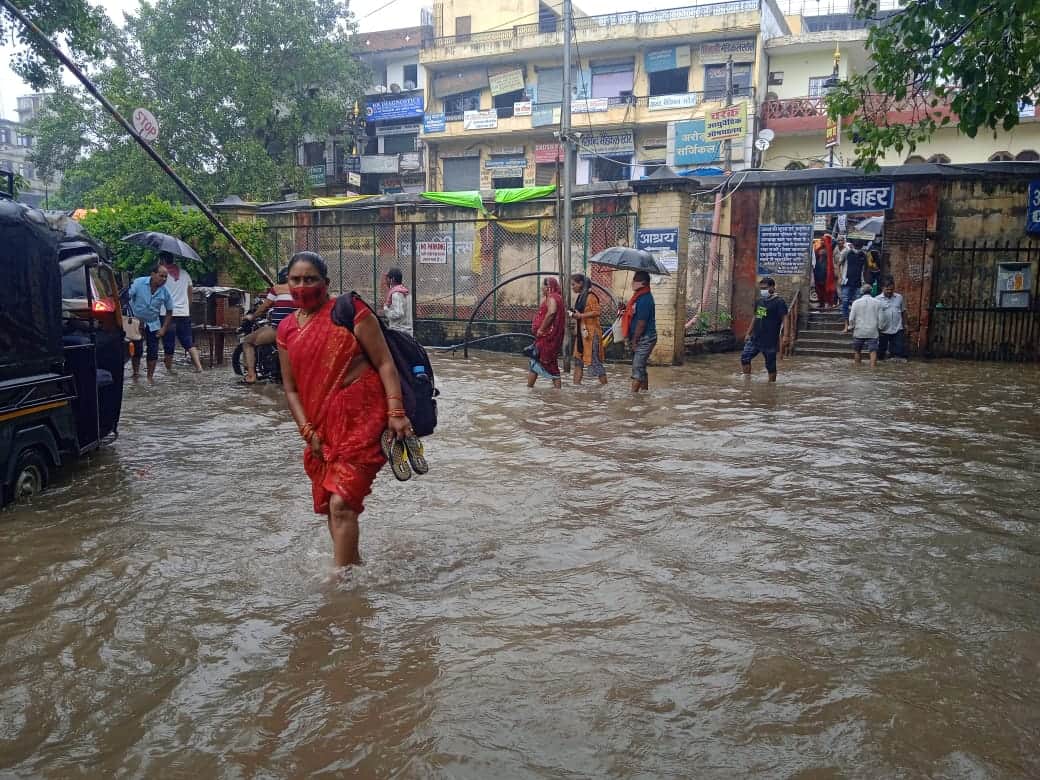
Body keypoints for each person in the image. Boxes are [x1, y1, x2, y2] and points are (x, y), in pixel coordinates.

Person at [277, 251, 413, 569]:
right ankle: (353, 566)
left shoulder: (349, 310)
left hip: (363, 420)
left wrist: (395, 412)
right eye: (295, 280)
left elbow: (383, 362)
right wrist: (307, 431)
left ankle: (342, 587)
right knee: (331, 502)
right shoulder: (286, 330)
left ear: (325, 282)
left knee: (341, 502)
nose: (302, 286)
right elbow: (291, 388)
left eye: (309, 279)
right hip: (320, 428)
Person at [241, 266, 296, 384]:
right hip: (299, 331)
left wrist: (252, 316)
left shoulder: (277, 289)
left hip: (279, 330)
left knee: (247, 341)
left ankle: (251, 376)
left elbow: (264, 307)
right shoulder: (301, 289)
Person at [128, 264, 174, 384]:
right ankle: (136, 373)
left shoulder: (165, 292)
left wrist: (164, 328)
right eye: (161, 276)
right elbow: (127, 299)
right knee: (137, 349)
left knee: (153, 350)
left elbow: (170, 311)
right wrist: (133, 320)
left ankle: (150, 377)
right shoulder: (138, 283)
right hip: (136, 322)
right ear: (153, 274)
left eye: (166, 277)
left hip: (153, 323)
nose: (164, 279)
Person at [159, 252, 204, 373]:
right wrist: (186, 309)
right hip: (183, 313)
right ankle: (199, 367)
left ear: (162, 260)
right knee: (188, 341)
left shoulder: (161, 275)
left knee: (168, 343)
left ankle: (169, 371)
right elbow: (190, 294)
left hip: (166, 313)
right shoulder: (185, 274)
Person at [741, 276, 789, 382]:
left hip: (770, 339)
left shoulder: (779, 302)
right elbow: (756, 317)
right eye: (761, 288)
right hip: (756, 337)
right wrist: (748, 333)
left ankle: (771, 385)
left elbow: (785, 318)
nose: (763, 291)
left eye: (765, 288)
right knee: (745, 357)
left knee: (770, 365)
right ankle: (747, 380)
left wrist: (785, 335)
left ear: (772, 287)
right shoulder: (760, 301)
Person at [568, 273, 607, 385]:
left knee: (594, 362)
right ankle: (576, 389)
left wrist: (581, 316)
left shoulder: (591, 296)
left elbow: (597, 312)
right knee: (578, 361)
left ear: (581, 284)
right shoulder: (580, 297)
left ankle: (605, 388)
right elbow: (578, 314)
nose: (572, 287)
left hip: (591, 334)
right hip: (581, 334)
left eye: (573, 284)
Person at [527, 277, 565, 389]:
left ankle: (530, 389)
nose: (541, 289)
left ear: (548, 287)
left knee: (543, 363)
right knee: (540, 363)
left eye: (543, 286)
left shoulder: (552, 298)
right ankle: (531, 389)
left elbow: (552, 312)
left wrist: (541, 329)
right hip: (548, 339)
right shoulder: (557, 297)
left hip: (547, 339)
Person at [622, 270, 657, 393]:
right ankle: (644, 393)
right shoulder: (637, 297)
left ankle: (632, 398)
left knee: (637, 367)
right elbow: (633, 314)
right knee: (641, 367)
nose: (632, 282)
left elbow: (641, 324)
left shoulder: (645, 299)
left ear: (643, 283)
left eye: (635, 280)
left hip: (645, 338)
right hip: (639, 337)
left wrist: (634, 341)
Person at [846, 283, 882, 367]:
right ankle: (873, 368)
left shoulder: (856, 302)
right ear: (871, 291)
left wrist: (851, 327)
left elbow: (851, 318)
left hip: (859, 330)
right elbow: (881, 318)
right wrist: (880, 328)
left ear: (862, 292)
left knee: (857, 350)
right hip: (873, 331)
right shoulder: (878, 302)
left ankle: (857, 367)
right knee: (873, 351)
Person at [875, 274, 907, 360]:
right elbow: (875, 315)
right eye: (887, 289)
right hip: (883, 329)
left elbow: (903, 311)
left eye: (891, 289)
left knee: (898, 352)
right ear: (882, 288)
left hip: (897, 328)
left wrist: (905, 325)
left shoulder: (899, 297)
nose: (889, 291)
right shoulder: (877, 299)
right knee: (881, 353)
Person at [840, 240, 868, 321]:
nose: (857, 247)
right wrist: (840, 277)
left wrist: (865, 281)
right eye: (856, 245)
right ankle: (846, 323)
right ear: (853, 245)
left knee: (857, 304)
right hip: (846, 282)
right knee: (845, 303)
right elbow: (839, 264)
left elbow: (865, 269)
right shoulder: (847, 253)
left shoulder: (863, 255)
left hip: (859, 282)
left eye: (859, 245)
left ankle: (855, 322)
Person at [382, 267, 413, 335]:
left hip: (398, 333)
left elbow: (398, 313)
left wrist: (386, 310)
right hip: (408, 332)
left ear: (392, 279)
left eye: (388, 278)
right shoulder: (406, 292)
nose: (386, 280)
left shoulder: (396, 294)